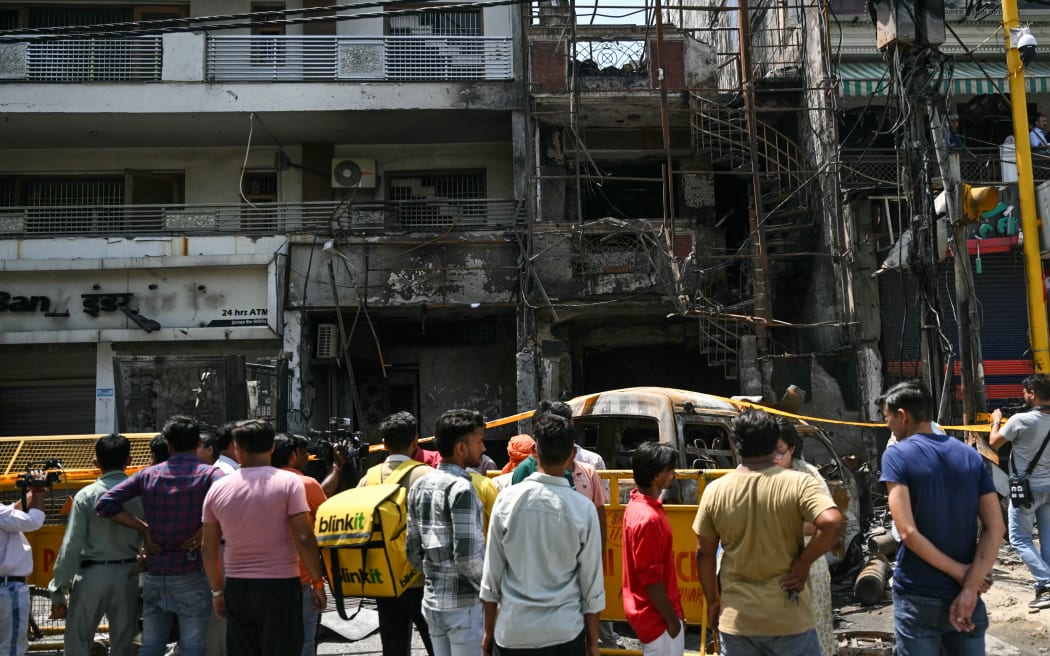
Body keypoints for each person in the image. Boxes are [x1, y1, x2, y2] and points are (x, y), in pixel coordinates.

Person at [693, 408, 844, 655]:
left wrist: (712, 601)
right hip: (789, 620)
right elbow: (832, 522)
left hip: (737, 621)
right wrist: (803, 563)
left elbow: (704, 554)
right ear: (774, 442)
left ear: (735, 442)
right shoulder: (799, 482)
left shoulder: (715, 490)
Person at [879, 381, 1004, 656]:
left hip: (917, 595)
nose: (887, 425)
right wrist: (971, 585)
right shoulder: (970, 456)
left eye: (887, 417)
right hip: (966, 595)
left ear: (903, 415)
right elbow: (996, 527)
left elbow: (907, 532)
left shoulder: (896, 456)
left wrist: (963, 574)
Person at [96, 415, 225, 656]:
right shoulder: (210, 475)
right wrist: (203, 529)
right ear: (198, 442)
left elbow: (105, 504)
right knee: (193, 648)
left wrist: (144, 528)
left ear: (168, 445)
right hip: (191, 574)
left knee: (151, 646)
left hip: (155, 574)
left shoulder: (148, 474)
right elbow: (233, 504)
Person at [480, 413, 605, 656]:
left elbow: (491, 576)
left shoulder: (506, 500)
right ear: (572, 455)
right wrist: (592, 642)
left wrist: (488, 634)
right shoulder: (583, 509)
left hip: (513, 633)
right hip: (565, 632)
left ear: (535, 450)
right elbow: (592, 584)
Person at [201, 419, 327, 656]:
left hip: (238, 587)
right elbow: (303, 537)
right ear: (271, 448)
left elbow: (208, 548)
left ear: (237, 448)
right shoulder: (289, 483)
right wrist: (318, 583)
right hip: (281, 585)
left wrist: (217, 592)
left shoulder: (217, 489)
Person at [48, 434, 143, 656]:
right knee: (126, 641)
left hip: (91, 575)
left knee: (78, 640)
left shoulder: (86, 495)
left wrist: (58, 588)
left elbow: (71, 546)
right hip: (128, 574)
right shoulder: (139, 494)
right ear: (129, 461)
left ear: (96, 463)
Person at [407, 409, 488, 656]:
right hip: (464, 609)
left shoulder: (420, 485)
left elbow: (411, 551)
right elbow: (467, 558)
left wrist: (437, 573)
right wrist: (491, 591)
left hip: (433, 603)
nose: (483, 448)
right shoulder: (462, 488)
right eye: (479, 442)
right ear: (461, 448)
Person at [358, 412, 435, 656]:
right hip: (420, 578)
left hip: (383, 579)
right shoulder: (427, 476)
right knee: (437, 644)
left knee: (393, 647)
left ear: (384, 443)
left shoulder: (367, 479)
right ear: (416, 441)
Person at [773, 419, 835, 656]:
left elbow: (821, 521)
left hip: (807, 563)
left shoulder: (807, 475)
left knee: (812, 631)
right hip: (771, 567)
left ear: (792, 449)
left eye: (779, 452)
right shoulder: (758, 473)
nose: (774, 458)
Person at [990, 373, 1050, 610]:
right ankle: (1043, 587)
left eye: (1024, 392)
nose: (1022, 396)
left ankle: (1046, 582)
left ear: (1033, 394)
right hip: (1049, 486)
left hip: (1026, 490)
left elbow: (994, 442)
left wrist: (996, 420)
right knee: (1047, 540)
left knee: (1019, 539)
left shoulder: (1020, 420)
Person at [622, 442, 684, 656]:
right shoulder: (648, 517)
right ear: (657, 475)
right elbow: (651, 579)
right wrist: (672, 620)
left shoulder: (638, 507)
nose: (674, 474)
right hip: (658, 619)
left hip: (652, 616)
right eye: (670, 469)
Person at [272, 433, 328, 656]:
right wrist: (318, 583)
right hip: (302, 578)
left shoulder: (252, 483)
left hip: (263, 579)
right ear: (293, 455)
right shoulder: (305, 483)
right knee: (304, 640)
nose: (308, 456)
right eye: (305, 451)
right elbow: (322, 524)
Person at [0, 470, 47, 656]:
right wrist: (40, 492)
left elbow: (11, 511)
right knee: (11, 650)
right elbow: (34, 521)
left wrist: (32, 492)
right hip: (7, 588)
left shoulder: (3, 514)